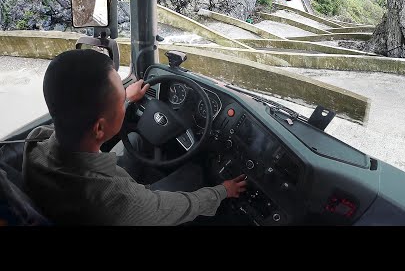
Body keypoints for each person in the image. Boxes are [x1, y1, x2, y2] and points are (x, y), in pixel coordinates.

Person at [22, 49, 247, 225]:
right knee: (194, 172)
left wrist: (125, 99)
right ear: (99, 128)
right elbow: (178, 207)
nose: (125, 99)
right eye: (120, 101)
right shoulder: (117, 202)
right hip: (119, 208)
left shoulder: (35, 141)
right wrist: (222, 191)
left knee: (137, 141)